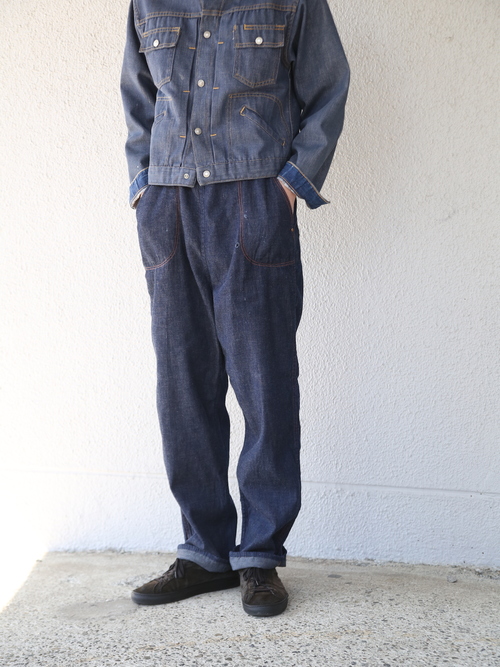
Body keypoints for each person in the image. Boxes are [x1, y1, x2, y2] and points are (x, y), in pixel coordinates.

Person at [120, 0, 349, 617]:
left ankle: (259, 555)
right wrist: (143, 188)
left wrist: (290, 186)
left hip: (254, 201)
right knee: (182, 386)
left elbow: (328, 88)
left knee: (264, 383)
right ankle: (204, 552)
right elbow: (138, 98)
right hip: (169, 206)